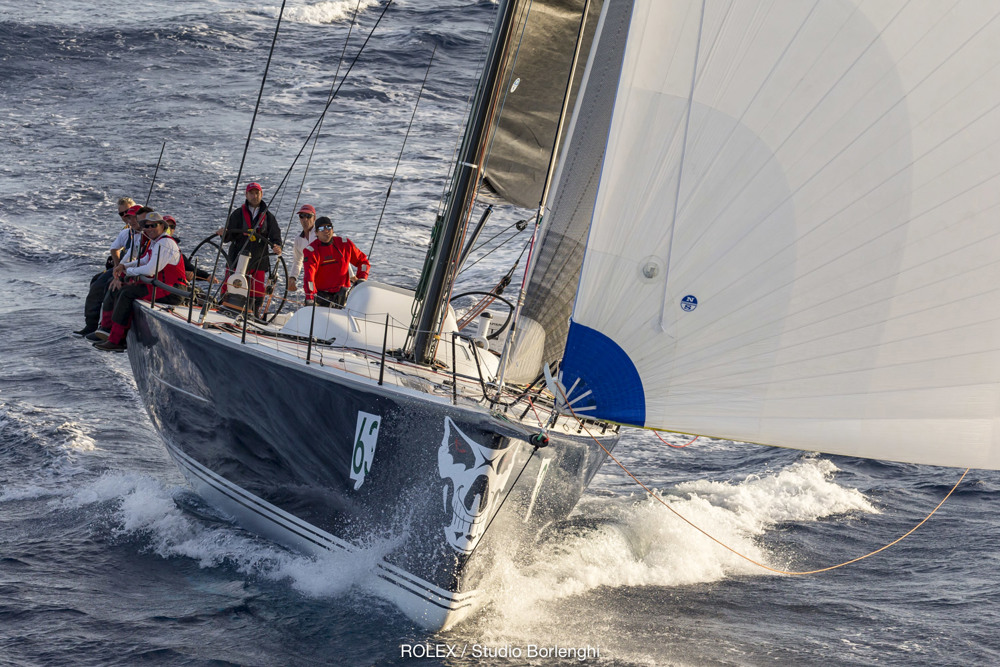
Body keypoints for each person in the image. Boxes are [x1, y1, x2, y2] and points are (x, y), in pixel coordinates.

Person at [94, 212, 186, 352]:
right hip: (161, 287)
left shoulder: (165, 243)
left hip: (172, 290)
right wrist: (124, 266)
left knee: (126, 293)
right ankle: (108, 330)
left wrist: (129, 271)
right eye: (146, 226)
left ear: (162, 226)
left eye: (153, 225)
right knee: (121, 289)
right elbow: (144, 260)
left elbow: (150, 269)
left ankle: (116, 340)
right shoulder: (156, 242)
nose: (149, 228)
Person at [73, 197, 139, 336]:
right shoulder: (126, 231)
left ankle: (105, 326)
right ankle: (92, 324)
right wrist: (116, 266)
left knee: (105, 286)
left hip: (136, 269)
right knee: (96, 280)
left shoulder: (144, 229)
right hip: (123, 266)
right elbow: (114, 249)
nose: (125, 216)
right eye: (121, 214)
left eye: (128, 212)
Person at [217, 182, 282, 314]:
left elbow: (276, 238)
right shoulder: (237, 214)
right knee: (231, 285)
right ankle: (223, 307)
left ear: (261, 194)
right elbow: (228, 236)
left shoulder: (269, 217)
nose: (254, 196)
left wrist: (277, 247)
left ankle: (254, 314)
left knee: (256, 292)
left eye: (257, 193)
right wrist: (223, 233)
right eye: (251, 193)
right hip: (236, 258)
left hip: (258, 261)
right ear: (246, 195)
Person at [302, 216, 370, 308]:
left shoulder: (345, 244)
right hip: (320, 299)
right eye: (321, 228)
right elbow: (309, 277)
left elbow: (363, 261)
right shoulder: (311, 251)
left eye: (328, 227)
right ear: (316, 233)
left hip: (342, 297)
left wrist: (362, 278)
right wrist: (310, 298)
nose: (326, 230)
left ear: (332, 229)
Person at [288, 203, 316, 292]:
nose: (305, 219)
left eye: (308, 216)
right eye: (302, 216)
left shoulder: (323, 234)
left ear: (314, 218)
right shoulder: (298, 239)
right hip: (310, 279)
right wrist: (292, 277)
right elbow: (297, 261)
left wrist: (351, 276)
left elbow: (341, 252)